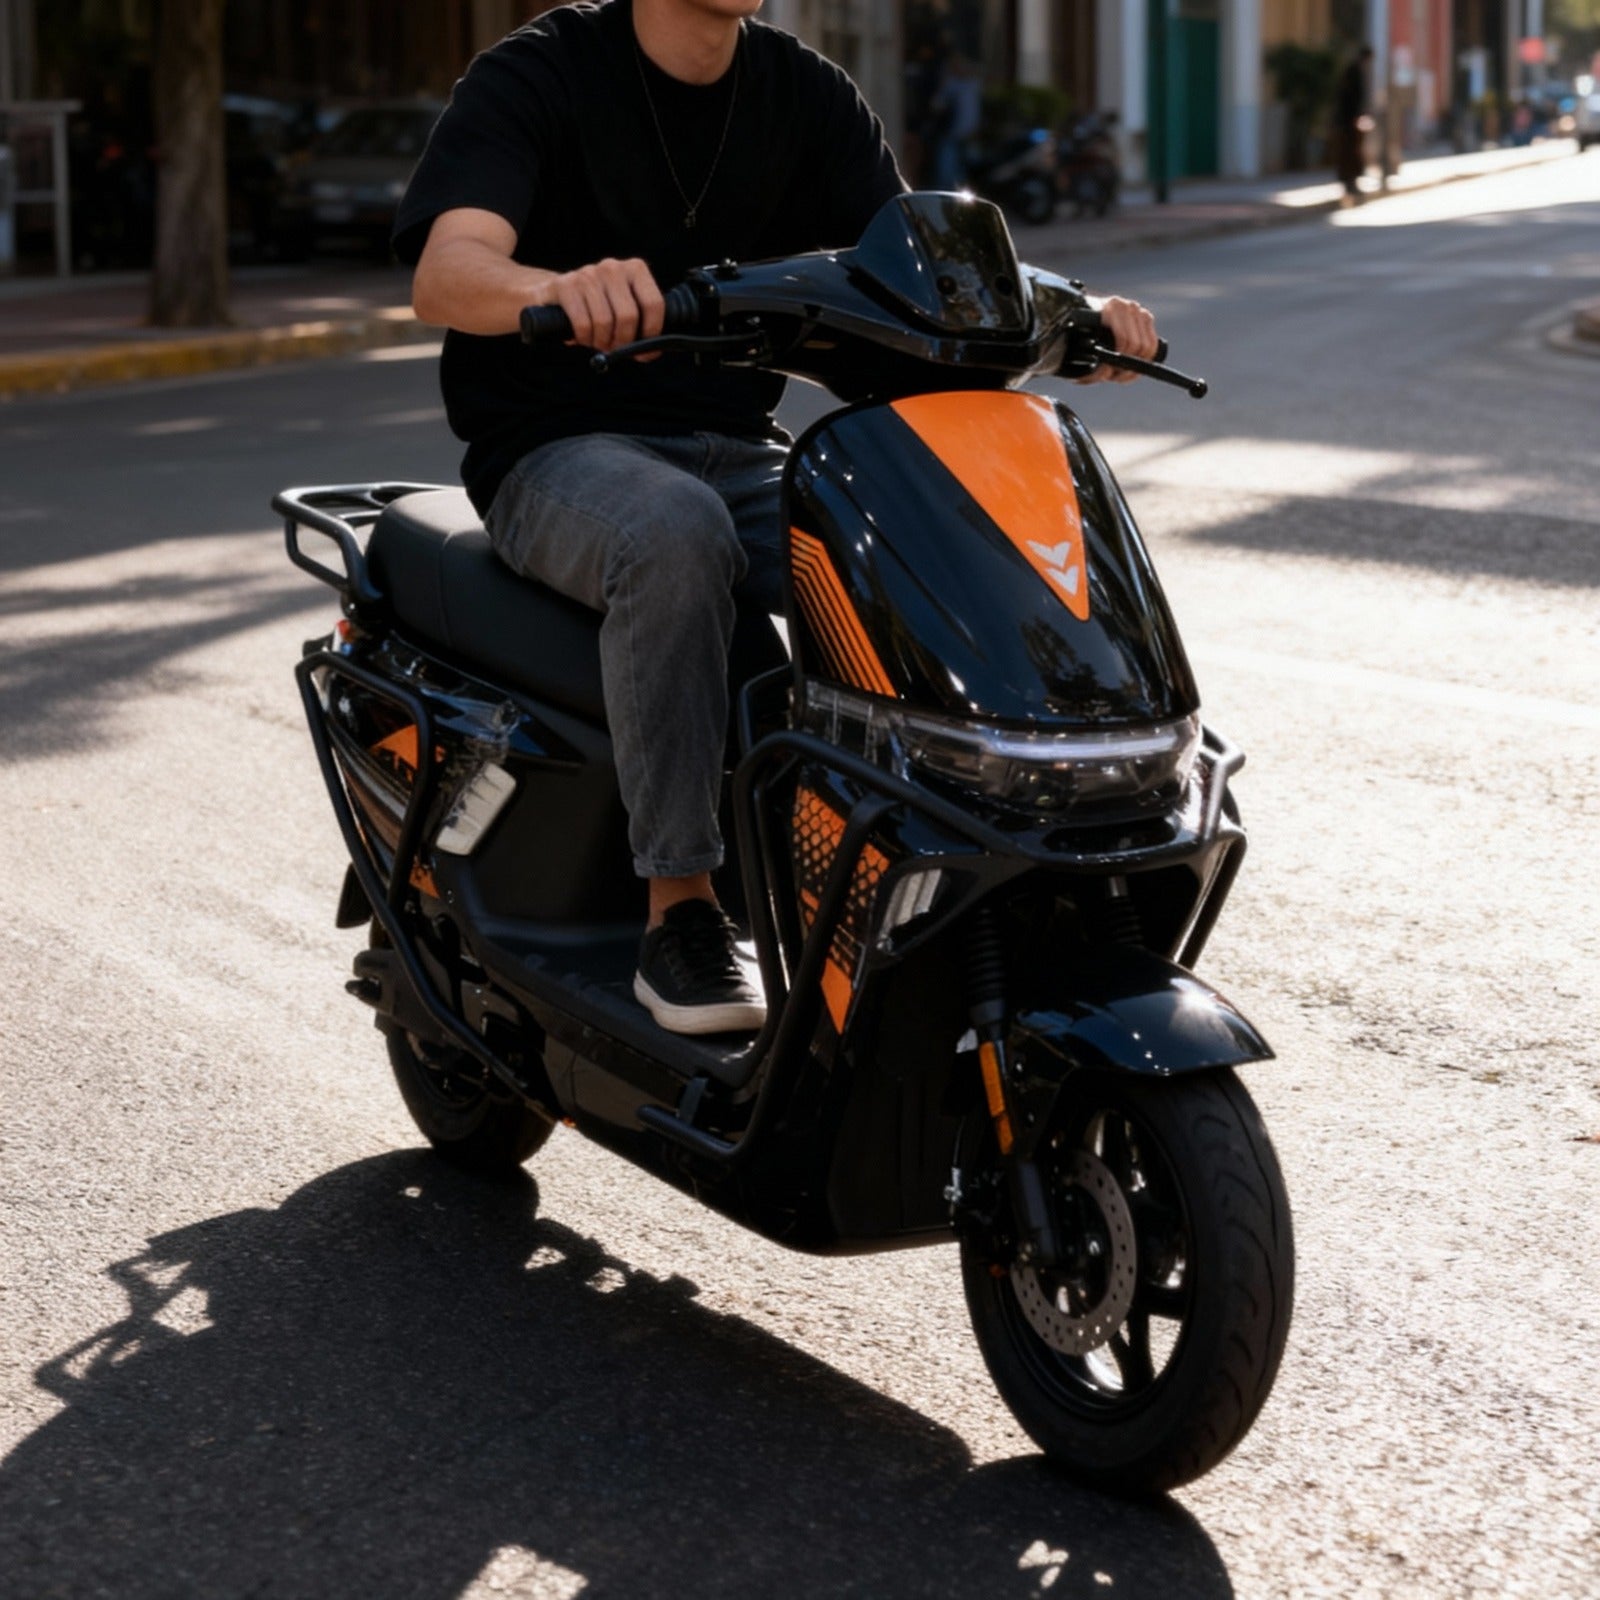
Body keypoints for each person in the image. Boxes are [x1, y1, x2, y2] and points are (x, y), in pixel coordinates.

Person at [394, 0, 1159, 1035]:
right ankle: (681, 910)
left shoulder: (805, 93)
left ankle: (942, 861)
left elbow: (917, 281)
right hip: (555, 449)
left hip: (736, 448)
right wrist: (562, 287)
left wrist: (1072, 316)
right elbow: (447, 274)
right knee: (674, 532)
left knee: (923, 537)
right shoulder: (541, 72)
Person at [1333, 46, 1373, 205]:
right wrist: (1357, 117)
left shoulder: (1354, 71)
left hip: (1349, 120)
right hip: (1349, 122)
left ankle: (1351, 184)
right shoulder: (1354, 72)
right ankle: (1349, 184)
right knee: (1350, 154)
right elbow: (1353, 99)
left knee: (1352, 154)